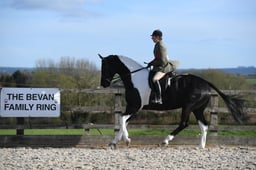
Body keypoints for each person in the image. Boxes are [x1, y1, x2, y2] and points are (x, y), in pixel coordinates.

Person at [147, 29, 173, 104]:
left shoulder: (161, 45)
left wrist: (152, 64)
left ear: (158, 37)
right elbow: (157, 58)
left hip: (164, 67)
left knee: (155, 79)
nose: (152, 38)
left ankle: (159, 98)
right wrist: (151, 62)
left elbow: (163, 61)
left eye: (153, 37)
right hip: (159, 66)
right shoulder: (157, 44)